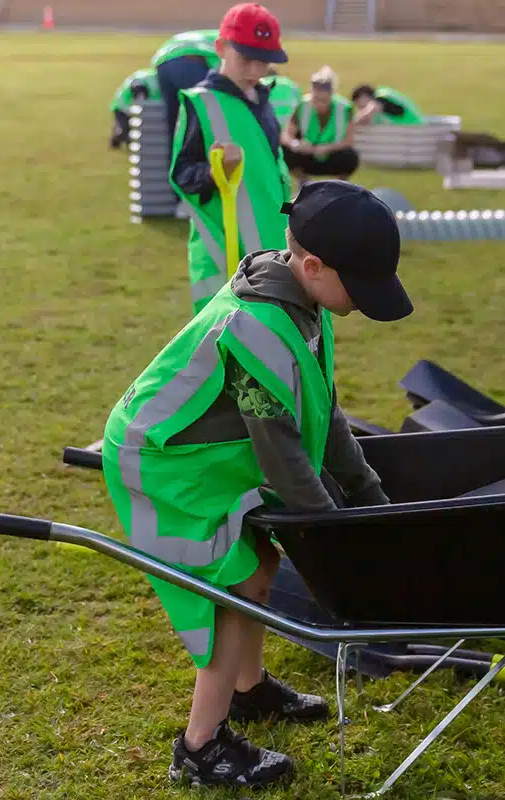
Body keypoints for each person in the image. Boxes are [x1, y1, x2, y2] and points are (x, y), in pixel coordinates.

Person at [102, 179, 413, 790]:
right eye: (360, 286)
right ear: (314, 265)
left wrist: (371, 496)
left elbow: (326, 415)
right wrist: (332, 538)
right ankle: (200, 749)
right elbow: (285, 458)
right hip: (165, 464)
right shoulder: (260, 329)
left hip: (213, 456)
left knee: (260, 564)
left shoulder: (302, 301)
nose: (364, 301)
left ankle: (249, 691)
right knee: (232, 592)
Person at [170, 3, 292, 315]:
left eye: (264, 61)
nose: (255, 70)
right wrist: (215, 172)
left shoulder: (264, 99)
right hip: (226, 253)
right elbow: (181, 173)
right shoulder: (201, 103)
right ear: (222, 48)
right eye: (246, 59)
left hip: (274, 248)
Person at [281, 67, 360, 182]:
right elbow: (286, 135)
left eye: (323, 100)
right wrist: (296, 144)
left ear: (331, 94)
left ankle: (340, 185)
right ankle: (304, 182)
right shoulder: (303, 105)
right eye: (316, 99)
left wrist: (327, 148)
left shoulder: (344, 108)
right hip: (307, 154)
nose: (319, 103)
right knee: (285, 152)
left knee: (350, 157)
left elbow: (348, 141)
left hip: (332, 154)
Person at [152, 29, 224, 139]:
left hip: (163, 59)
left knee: (174, 121)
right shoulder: (234, 44)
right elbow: (223, 75)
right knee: (202, 115)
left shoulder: (217, 34)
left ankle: (174, 155)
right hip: (189, 58)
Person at [110, 68, 160, 149]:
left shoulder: (156, 78)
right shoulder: (146, 78)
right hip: (123, 107)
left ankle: (122, 137)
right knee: (126, 131)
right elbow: (138, 94)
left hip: (136, 107)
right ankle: (116, 139)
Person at [351, 84, 427, 126]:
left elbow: (368, 112)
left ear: (364, 96)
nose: (360, 108)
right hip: (410, 135)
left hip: (415, 134)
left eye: (359, 104)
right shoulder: (379, 105)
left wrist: (351, 123)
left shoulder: (382, 96)